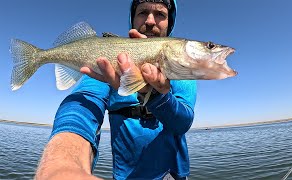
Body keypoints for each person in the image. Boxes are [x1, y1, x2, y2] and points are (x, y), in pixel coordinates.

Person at [35, 0, 197, 179]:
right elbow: (84, 102)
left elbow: (183, 122)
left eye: (160, 14)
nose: (150, 21)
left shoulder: (180, 67)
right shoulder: (111, 62)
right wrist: (62, 163)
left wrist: (156, 95)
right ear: (132, 19)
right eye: (143, 12)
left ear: (170, 22)